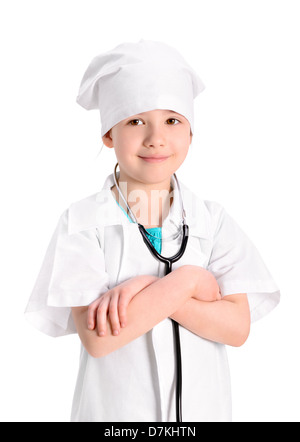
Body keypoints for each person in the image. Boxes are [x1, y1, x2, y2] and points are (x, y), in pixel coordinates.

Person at [25, 40, 280, 422]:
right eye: (135, 120)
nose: (155, 137)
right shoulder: (82, 223)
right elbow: (98, 338)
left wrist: (139, 290)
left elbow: (237, 328)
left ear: (191, 133)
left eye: (173, 120)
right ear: (109, 134)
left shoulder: (214, 221)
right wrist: (190, 280)